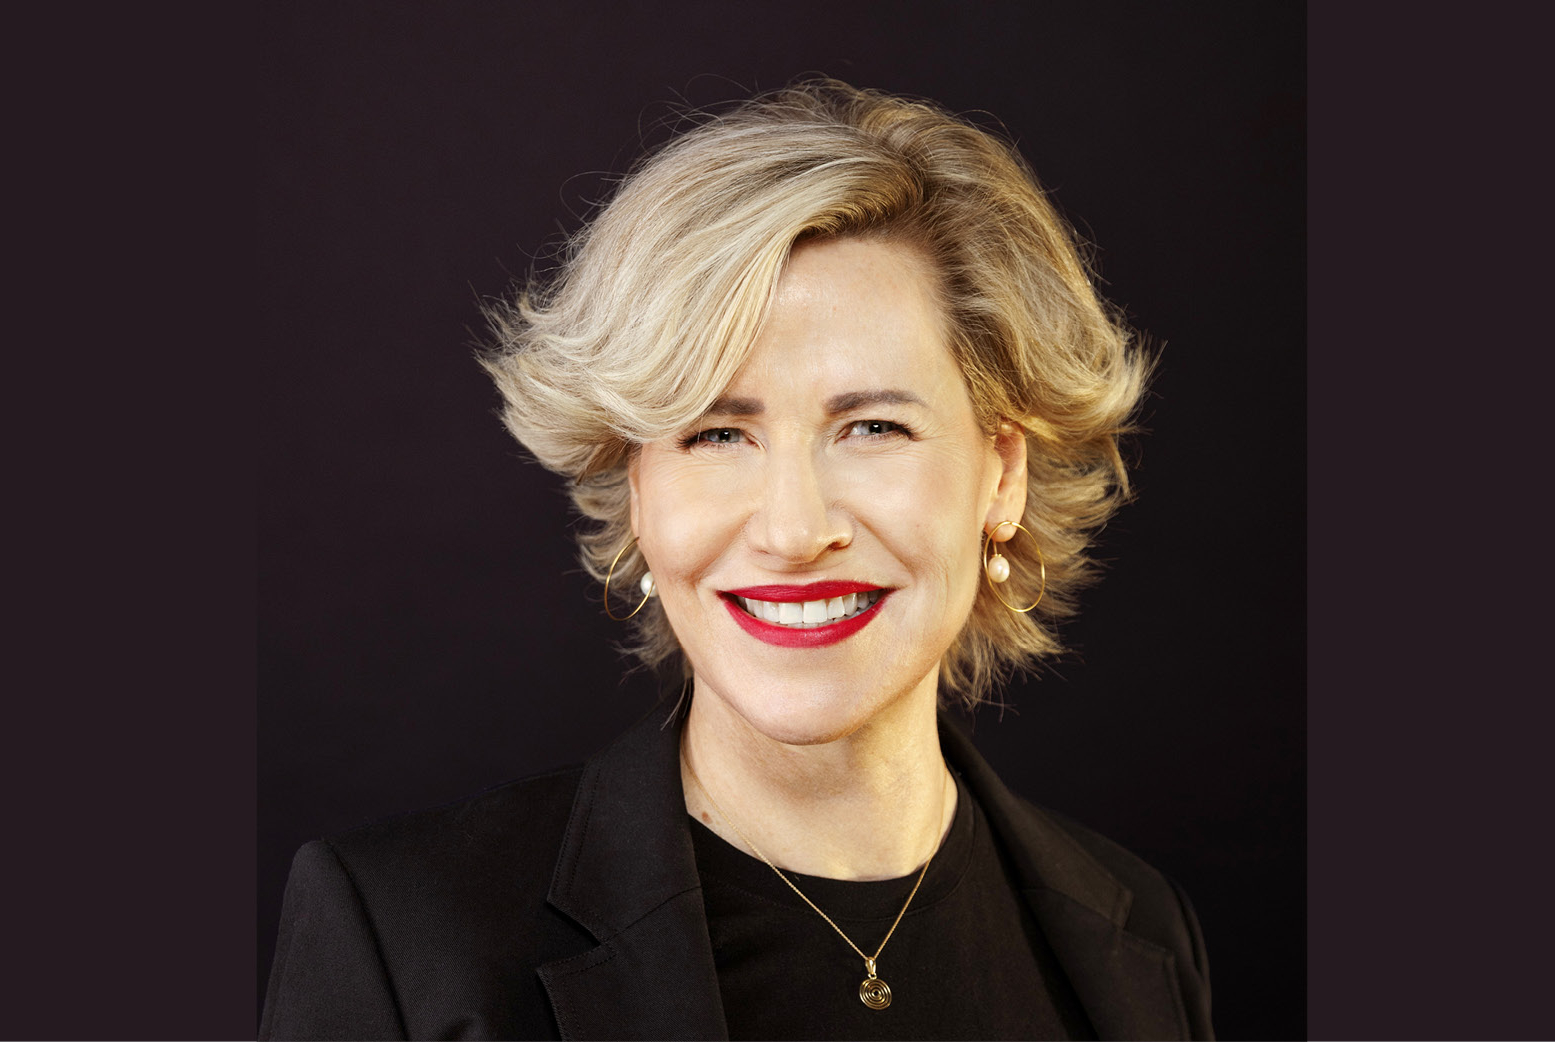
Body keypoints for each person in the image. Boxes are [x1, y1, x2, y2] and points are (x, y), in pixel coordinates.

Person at [260, 79, 1214, 1041]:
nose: (793, 531)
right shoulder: (406, 941)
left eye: (873, 427)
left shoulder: (1140, 938)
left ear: (1000, 475)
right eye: (716, 434)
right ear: (636, 485)